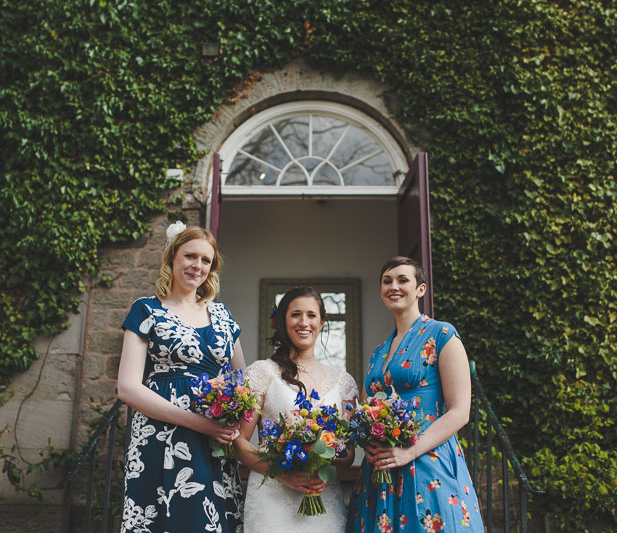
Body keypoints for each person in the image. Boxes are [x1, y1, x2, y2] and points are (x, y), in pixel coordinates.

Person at [116, 222, 246, 533]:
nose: (197, 266)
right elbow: (128, 388)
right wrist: (197, 421)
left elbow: (241, 377)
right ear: (172, 258)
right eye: (190, 256)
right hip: (160, 437)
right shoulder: (146, 310)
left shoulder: (224, 315)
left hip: (212, 437)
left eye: (205, 260)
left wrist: (230, 413)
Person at [346, 256, 484, 533]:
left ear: (420, 289)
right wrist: (366, 441)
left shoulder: (442, 334)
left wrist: (408, 451)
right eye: (387, 281)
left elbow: (460, 411)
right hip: (381, 471)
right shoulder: (379, 350)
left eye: (402, 279)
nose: (393, 286)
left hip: (426, 462)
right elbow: (366, 408)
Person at [235, 287, 359, 533]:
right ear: (282, 321)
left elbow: (348, 453)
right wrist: (281, 473)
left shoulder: (343, 382)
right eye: (296, 315)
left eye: (312, 315)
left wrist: (324, 456)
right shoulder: (262, 372)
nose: (304, 322)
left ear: (322, 322)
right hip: (272, 502)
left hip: (324, 501)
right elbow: (239, 442)